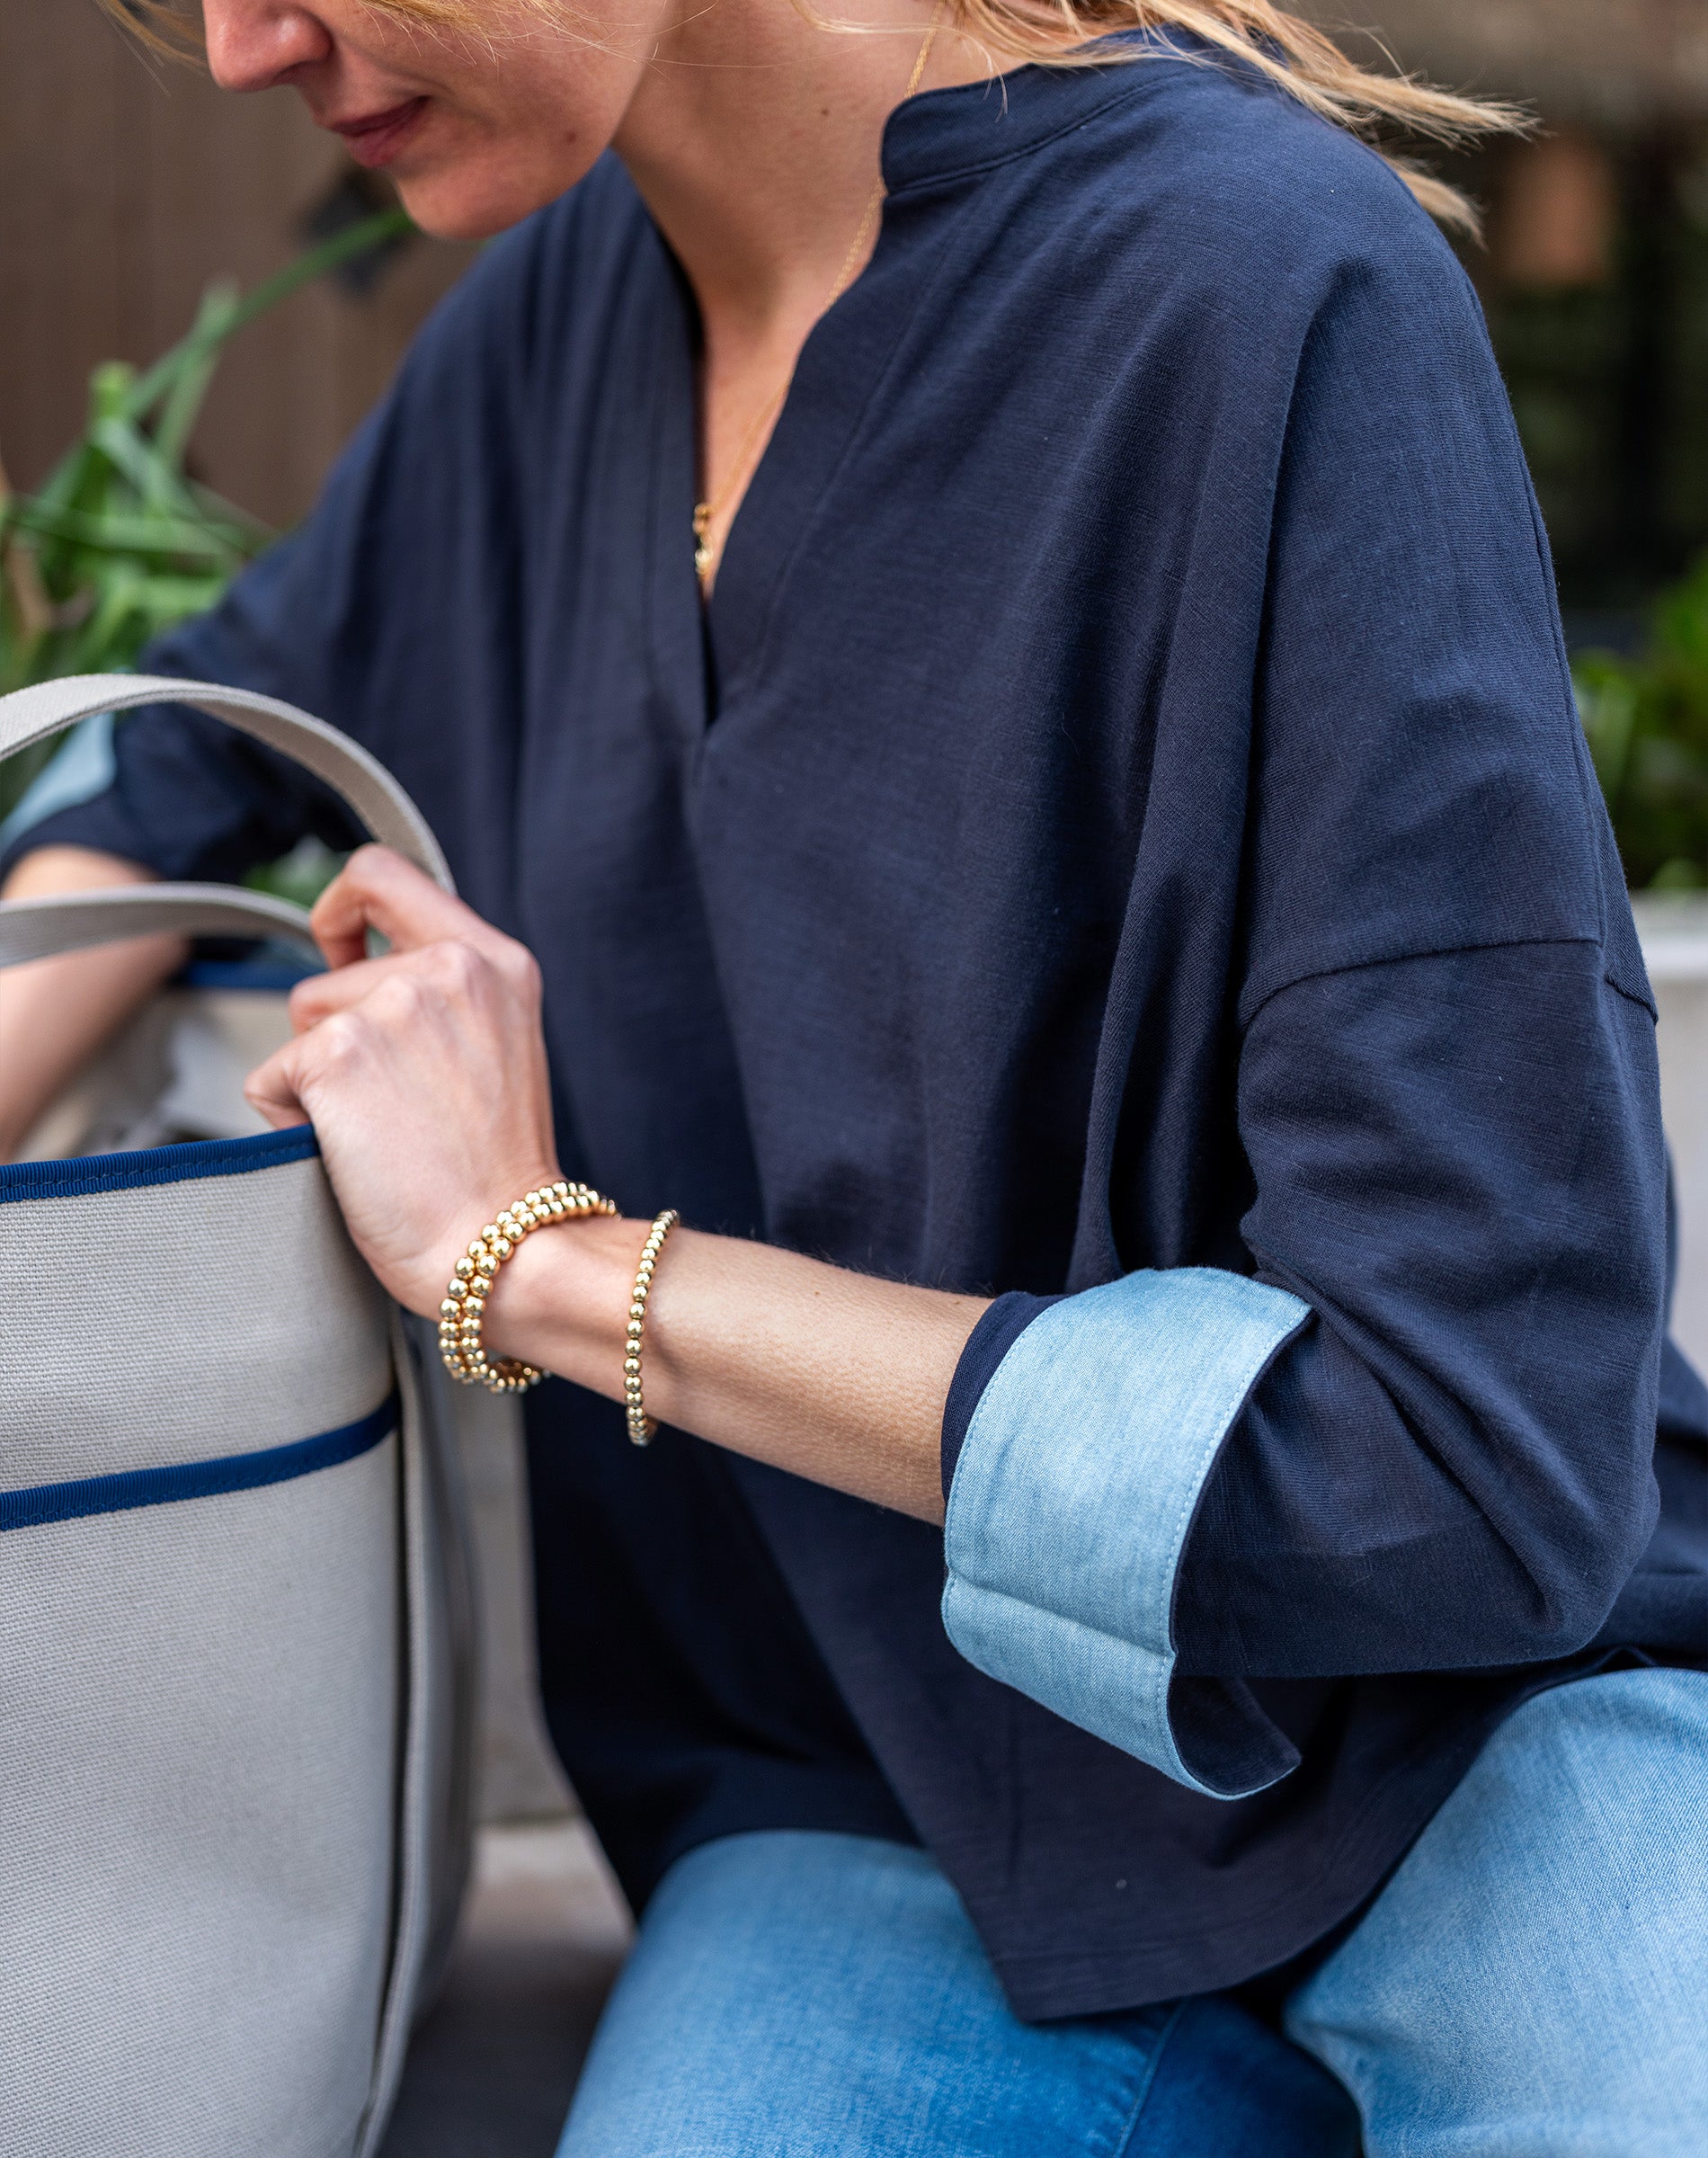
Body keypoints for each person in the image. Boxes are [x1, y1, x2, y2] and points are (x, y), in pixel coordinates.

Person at [4, 0, 1705, 2146]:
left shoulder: (1259, 287)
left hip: (1471, 1763)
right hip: (860, 1809)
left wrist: (538, 1259)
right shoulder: (543, 349)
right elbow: (187, 744)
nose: (245, 48)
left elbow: (1466, 1465)